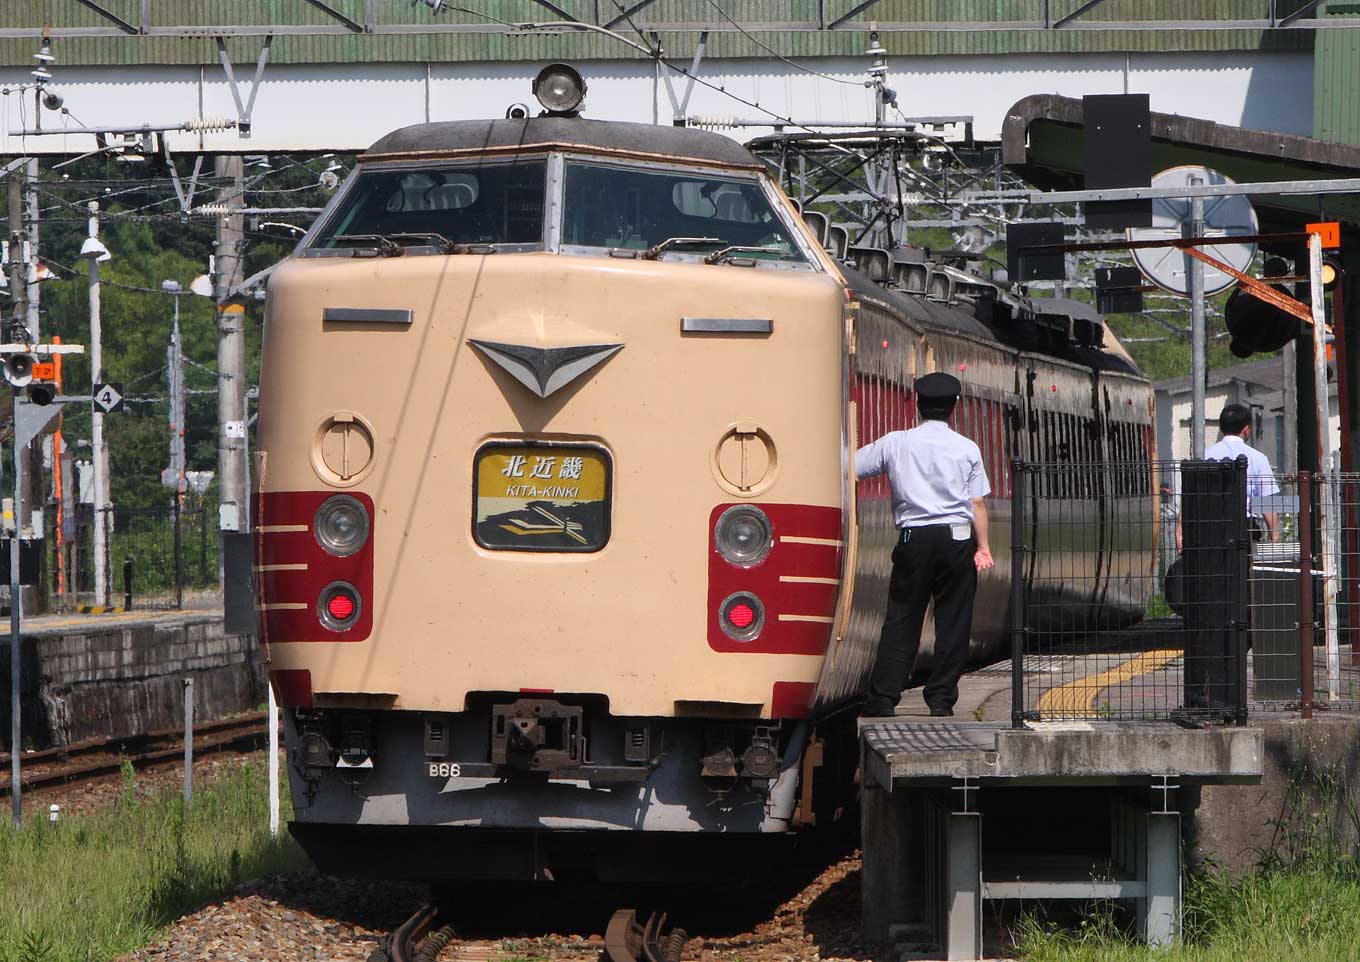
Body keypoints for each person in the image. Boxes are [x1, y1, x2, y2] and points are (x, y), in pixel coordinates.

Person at [854, 372, 995, 718]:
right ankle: (941, 700)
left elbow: (851, 467)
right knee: (953, 621)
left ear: (917, 404)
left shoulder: (895, 443)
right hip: (956, 539)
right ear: (954, 408)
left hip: (913, 538)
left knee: (902, 618)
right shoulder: (967, 448)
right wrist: (983, 547)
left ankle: (884, 698)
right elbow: (977, 503)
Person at [1176, 403, 1280, 549]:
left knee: (1213, 569)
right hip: (1246, 527)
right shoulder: (1258, 458)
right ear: (1246, 429)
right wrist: (1274, 535)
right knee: (1245, 567)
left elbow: (1190, 495)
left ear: (1221, 427)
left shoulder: (1204, 456)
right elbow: (1266, 501)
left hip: (1210, 527)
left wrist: (1180, 529)